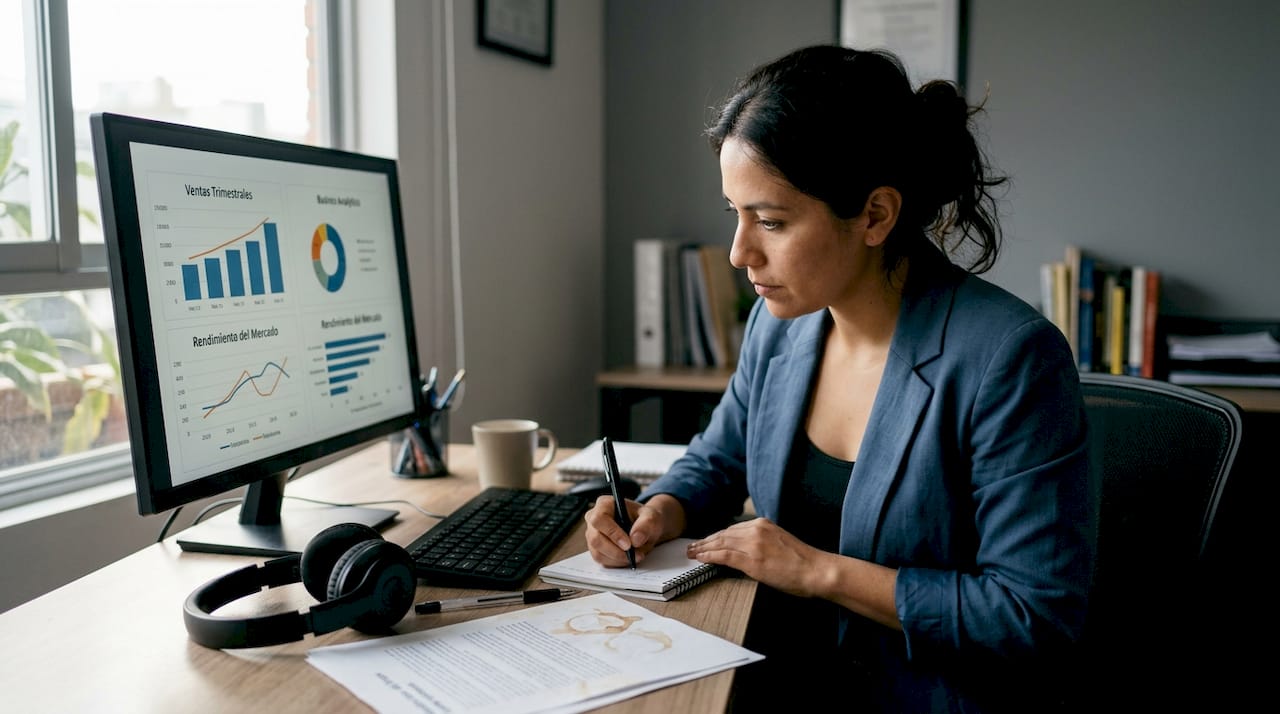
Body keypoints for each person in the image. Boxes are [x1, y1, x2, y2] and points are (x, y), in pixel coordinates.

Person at [584, 45, 1094, 713]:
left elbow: (1032, 615)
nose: (741, 253)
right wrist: (658, 512)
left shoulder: (1010, 359)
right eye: (734, 214)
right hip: (771, 671)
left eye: (770, 221)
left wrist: (817, 572)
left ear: (875, 216)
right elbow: (719, 459)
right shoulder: (781, 322)